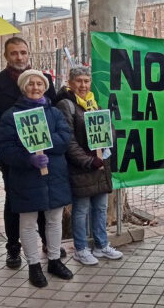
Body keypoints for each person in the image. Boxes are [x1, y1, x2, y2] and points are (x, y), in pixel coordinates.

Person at [0, 37, 62, 269]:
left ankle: (48, 242)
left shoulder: (44, 79)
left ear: (29, 53)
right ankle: (13, 248)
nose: (19, 57)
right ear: (6, 56)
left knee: (46, 197)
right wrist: (9, 139)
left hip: (44, 153)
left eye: (23, 52)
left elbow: (54, 109)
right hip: (15, 156)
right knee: (16, 202)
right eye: (14, 53)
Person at [0, 70, 73, 287]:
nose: (35, 87)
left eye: (40, 83)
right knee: (28, 223)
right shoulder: (10, 116)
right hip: (26, 178)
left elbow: (65, 137)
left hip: (54, 175)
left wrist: (44, 143)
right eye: (30, 84)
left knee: (54, 220)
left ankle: (55, 260)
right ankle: (33, 265)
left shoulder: (55, 113)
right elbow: (5, 148)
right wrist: (27, 158)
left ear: (45, 86)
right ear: (23, 87)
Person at [55, 67, 123, 265]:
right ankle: (81, 248)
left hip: (101, 165)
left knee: (101, 208)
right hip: (82, 168)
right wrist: (87, 160)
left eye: (86, 81)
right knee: (81, 209)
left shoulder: (94, 103)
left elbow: (107, 131)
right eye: (78, 81)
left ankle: (101, 245)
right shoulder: (66, 105)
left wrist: (108, 145)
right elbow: (69, 141)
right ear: (70, 81)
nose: (83, 85)